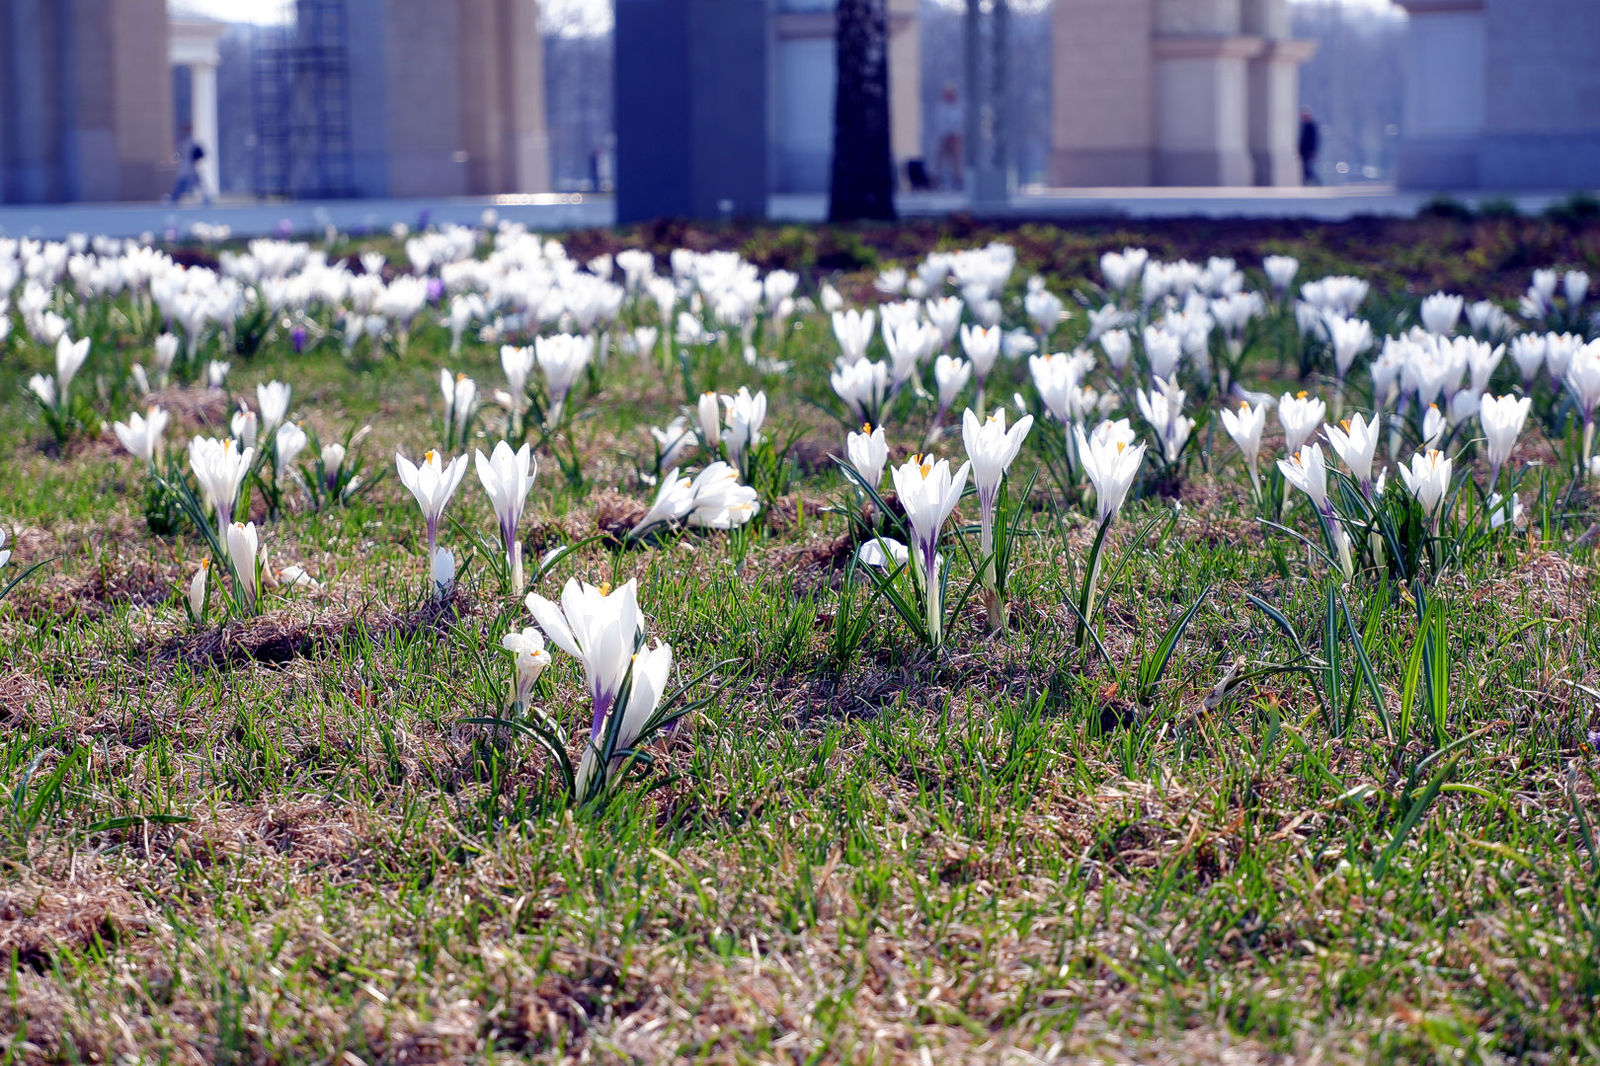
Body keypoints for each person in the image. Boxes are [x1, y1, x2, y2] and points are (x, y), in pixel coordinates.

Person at [167, 123, 212, 205]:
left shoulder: (191, 141)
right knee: (183, 183)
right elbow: (178, 153)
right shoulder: (183, 140)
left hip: (190, 165)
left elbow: (197, 152)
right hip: (185, 165)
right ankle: (174, 198)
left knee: (197, 181)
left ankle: (206, 197)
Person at [932, 83, 964, 191]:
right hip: (944, 137)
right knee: (939, 159)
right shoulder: (941, 107)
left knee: (956, 160)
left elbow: (959, 122)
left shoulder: (958, 107)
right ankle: (937, 180)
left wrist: (955, 134)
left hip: (955, 137)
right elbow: (939, 122)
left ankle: (958, 180)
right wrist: (944, 134)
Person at [1298, 109, 1320, 186]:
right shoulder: (1304, 126)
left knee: (1308, 169)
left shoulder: (1311, 127)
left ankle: (1315, 182)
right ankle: (1308, 182)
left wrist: (1313, 151)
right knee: (1305, 169)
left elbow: (1313, 140)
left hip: (1308, 152)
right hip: (1303, 152)